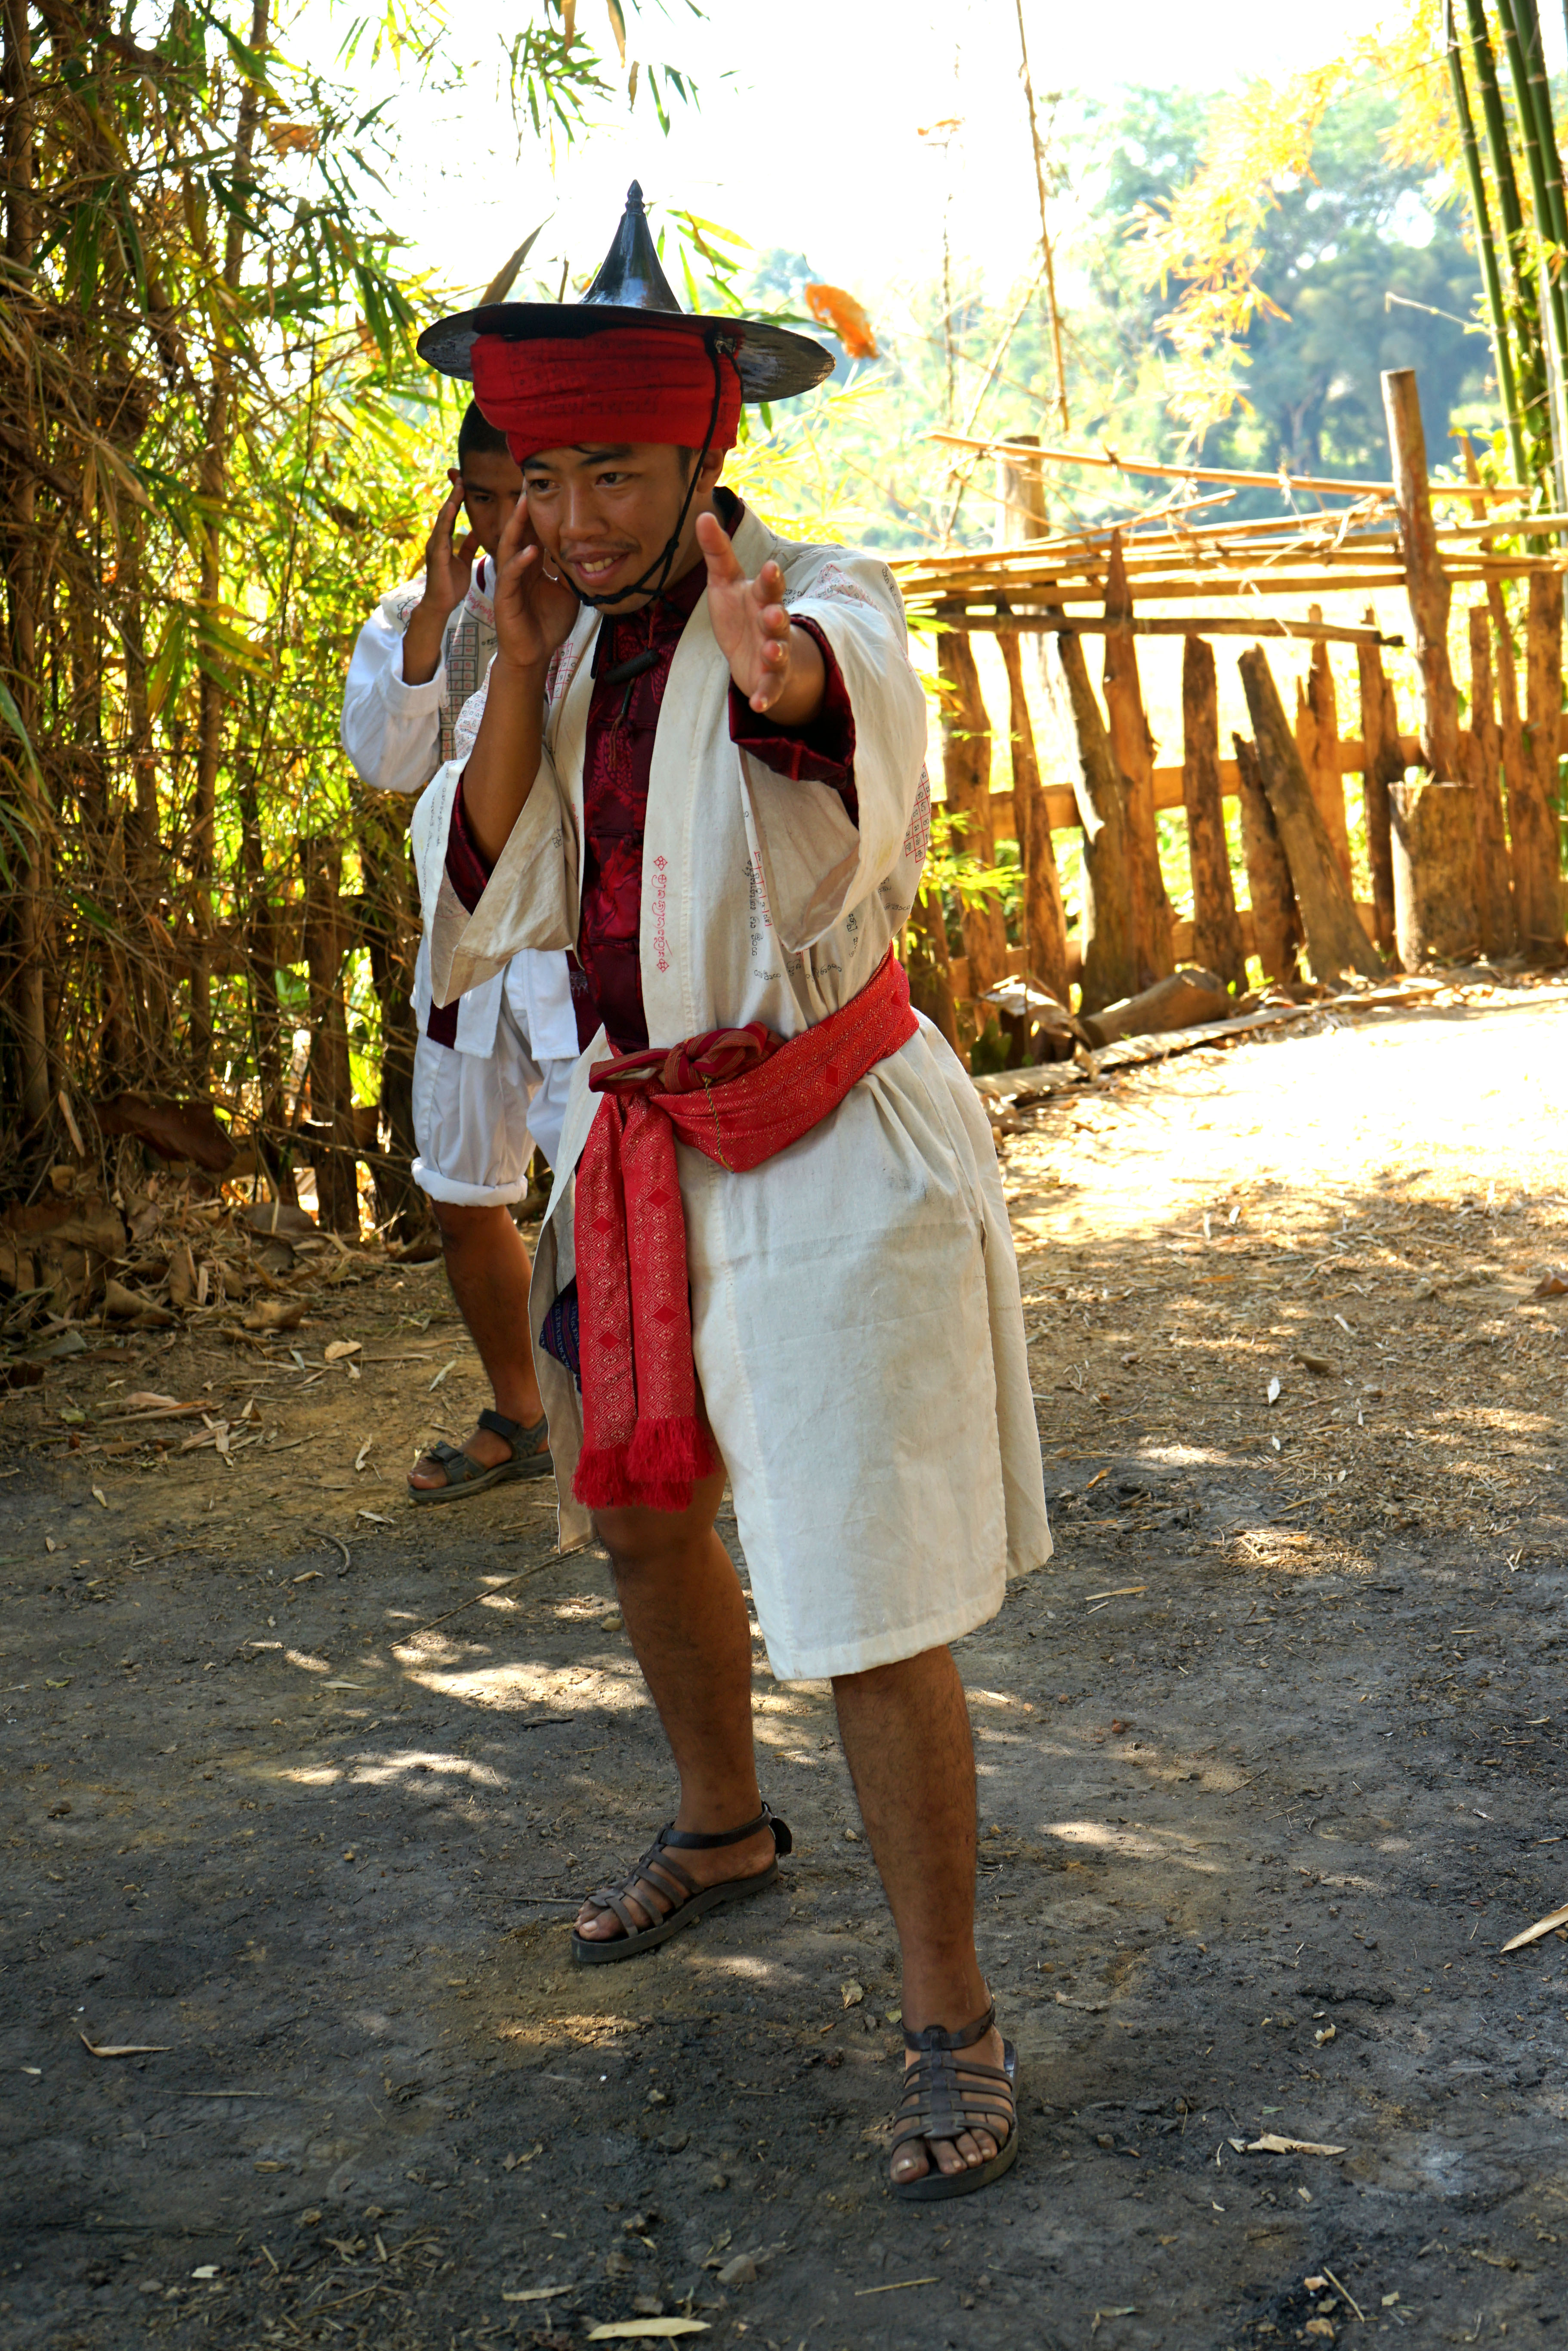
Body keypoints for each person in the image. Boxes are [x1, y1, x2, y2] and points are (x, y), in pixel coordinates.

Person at [412, 185, 1051, 2202]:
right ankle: (722, 1824)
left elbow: (840, 704)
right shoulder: (556, 643)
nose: (579, 514)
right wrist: (520, 664)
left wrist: (776, 681)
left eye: (617, 469)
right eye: (546, 476)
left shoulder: (816, 595)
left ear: (706, 454)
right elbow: (481, 893)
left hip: (825, 1139)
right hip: (637, 1146)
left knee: (862, 1593)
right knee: (636, 1511)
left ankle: (950, 2012)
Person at [342, 402, 582, 1500]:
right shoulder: (422, 616)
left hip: (582, 952)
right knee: (459, 1188)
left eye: (527, 492)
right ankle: (524, 1413)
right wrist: (437, 620)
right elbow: (386, 764)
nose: (505, 520)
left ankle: (635, 1426)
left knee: (605, 1185)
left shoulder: (617, 606)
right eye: (482, 497)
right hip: (467, 949)